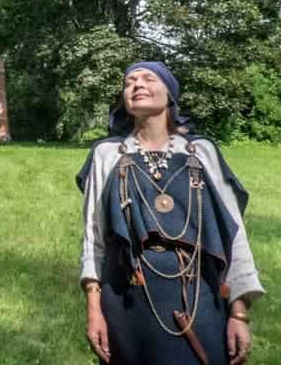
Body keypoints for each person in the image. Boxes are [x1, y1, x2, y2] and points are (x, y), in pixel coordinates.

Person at [76, 62, 264, 365]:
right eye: (130, 82)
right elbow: (93, 237)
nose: (137, 85)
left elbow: (233, 234)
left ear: (170, 94)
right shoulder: (106, 155)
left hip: (198, 294)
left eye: (149, 79)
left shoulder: (201, 152)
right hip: (127, 297)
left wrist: (239, 312)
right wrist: (94, 311)